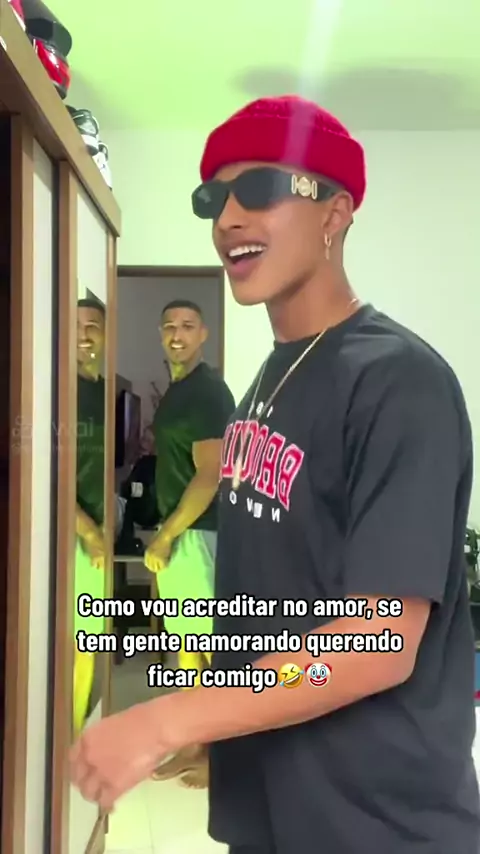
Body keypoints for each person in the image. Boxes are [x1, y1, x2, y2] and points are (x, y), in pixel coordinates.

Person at [70, 96, 480, 854]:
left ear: (335, 213)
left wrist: (170, 716)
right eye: (213, 200)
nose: (227, 218)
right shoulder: (269, 378)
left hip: (375, 823)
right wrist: (220, 727)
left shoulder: (399, 382)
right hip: (271, 803)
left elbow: (378, 639)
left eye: (259, 189)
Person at [144, 299, 235, 787]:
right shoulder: (178, 391)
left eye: (187, 326)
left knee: (208, 652)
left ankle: (222, 757)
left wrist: (165, 536)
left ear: (203, 335)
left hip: (199, 535)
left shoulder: (207, 392)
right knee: (186, 650)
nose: (177, 334)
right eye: (169, 326)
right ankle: (194, 744)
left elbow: (210, 475)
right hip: (182, 534)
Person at [74, 297, 107, 734]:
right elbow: (45, 473)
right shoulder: (55, 389)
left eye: (93, 327)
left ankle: (73, 731)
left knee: (87, 640)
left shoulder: (105, 392)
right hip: (68, 533)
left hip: (97, 532)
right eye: (77, 326)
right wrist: (87, 531)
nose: (84, 335)